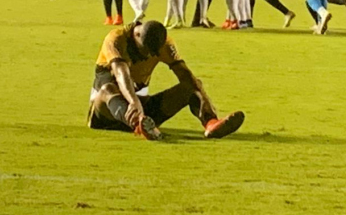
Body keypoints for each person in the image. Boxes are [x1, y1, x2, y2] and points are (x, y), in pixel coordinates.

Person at [87, 20, 245, 140]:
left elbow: (184, 74)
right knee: (107, 89)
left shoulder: (165, 44)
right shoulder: (116, 39)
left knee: (190, 87)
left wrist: (203, 98)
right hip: (106, 113)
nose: (149, 56)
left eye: (153, 53)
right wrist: (133, 101)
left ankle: (211, 124)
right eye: (146, 51)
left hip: (142, 112)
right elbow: (121, 72)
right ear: (137, 35)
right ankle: (140, 124)